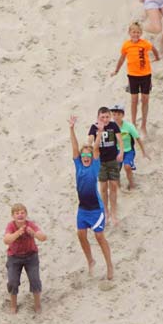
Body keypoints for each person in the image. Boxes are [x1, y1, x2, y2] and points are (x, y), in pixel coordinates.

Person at [68, 116, 113, 280]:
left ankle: (109, 265)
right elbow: (74, 147)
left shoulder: (94, 165)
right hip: (83, 209)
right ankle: (91, 261)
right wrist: (71, 129)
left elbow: (95, 149)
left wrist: (100, 132)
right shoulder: (78, 164)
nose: (86, 156)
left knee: (99, 237)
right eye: (83, 155)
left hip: (96, 209)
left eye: (88, 154)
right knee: (81, 234)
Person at [111, 21, 160, 135]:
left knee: (145, 100)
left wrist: (157, 57)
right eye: (133, 32)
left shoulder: (145, 43)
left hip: (146, 76)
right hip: (132, 76)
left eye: (138, 32)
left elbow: (153, 48)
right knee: (134, 100)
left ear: (141, 33)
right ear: (129, 33)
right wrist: (116, 70)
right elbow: (122, 59)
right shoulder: (126, 45)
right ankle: (133, 123)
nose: (136, 34)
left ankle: (143, 124)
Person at [3, 204, 46, 315]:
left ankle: (37, 305)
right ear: (13, 216)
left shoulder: (30, 225)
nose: (20, 215)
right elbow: (6, 240)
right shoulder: (11, 226)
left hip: (31, 256)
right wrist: (17, 233)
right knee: (12, 282)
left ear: (26, 214)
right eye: (17, 213)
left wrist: (34, 234)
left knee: (35, 280)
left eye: (22, 213)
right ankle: (13, 306)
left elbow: (43, 237)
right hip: (14, 257)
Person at [88, 107, 123, 226]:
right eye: (102, 117)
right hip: (100, 162)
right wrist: (99, 132)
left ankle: (114, 213)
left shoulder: (113, 126)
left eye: (107, 116)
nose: (105, 119)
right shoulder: (94, 127)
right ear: (98, 117)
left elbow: (120, 140)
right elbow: (90, 143)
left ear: (110, 116)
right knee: (103, 188)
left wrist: (121, 152)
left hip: (113, 160)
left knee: (113, 186)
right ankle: (106, 212)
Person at [111, 105, 145, 191]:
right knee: (116, 169)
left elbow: (137, 138)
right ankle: (118, 187)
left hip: (129, 150)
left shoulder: (129, 126)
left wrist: (144, 152)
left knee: (127, 167)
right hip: (116, 151)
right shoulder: (111, 127)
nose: (116, 117)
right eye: (114, 114)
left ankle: (132, 184)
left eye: (119, 114)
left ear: (123, 115)